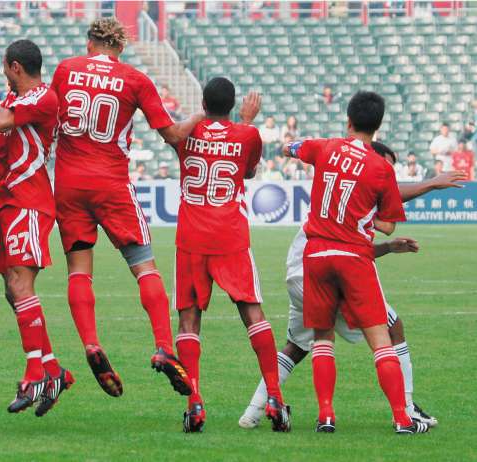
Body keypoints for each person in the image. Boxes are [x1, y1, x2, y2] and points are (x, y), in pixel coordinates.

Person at [239, 142, 467, 431]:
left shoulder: (340, 184)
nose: (387, 178)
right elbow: (357, 245)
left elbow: (348, 242)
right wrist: (432, 184)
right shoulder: (367, 178)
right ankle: (407, 412)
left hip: (303, 270)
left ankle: (253, 411)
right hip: (332, 269)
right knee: (392, 328)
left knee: (297, 345)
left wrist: (385, 248)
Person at [50, 17, 203, 401]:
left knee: (79, 271)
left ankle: (90, 344)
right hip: (111, 183)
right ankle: (164, 346)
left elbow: (50, 120)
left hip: (68, 184)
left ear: (89, 44)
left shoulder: (66, 69)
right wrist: (201, 115)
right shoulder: (135, 79)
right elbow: (171, 135)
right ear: (121, 48)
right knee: (144, 266)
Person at [281, 91, 428, 435]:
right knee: (380, 338)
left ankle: (326, 416)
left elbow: (292, 148)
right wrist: (364, 216)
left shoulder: (325, 147)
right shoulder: (380, 167)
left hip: (315, 255)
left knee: (321, 338)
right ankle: (402, 418)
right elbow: (389, 224)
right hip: (353, 257)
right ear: (377, 128)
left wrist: (289, 148)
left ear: (348, 120)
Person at [173, 77, 290, 433]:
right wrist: (247, 121)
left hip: (192, 235)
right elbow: (249, 171)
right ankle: (273, 396)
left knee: (189, 320)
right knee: (252, 312)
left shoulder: (186, 134)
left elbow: (176, 135)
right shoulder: (248, 135)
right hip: (230, 235)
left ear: (204, 104)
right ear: (235, 105)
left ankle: (194, 403)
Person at [0, 39, 74, 416]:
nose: (3, 73)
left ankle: (34, 372)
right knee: (11, 289)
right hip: (6, 201)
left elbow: (1, 120)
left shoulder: (44, 97)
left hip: (30, 201)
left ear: (15, 66)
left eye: (5, 67)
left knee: (21, 284)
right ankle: (53, 369)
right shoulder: (15, 95)